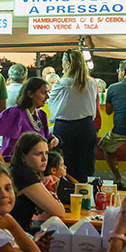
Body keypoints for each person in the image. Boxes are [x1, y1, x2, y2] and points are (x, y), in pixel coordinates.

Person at [50, 49, 99, 182]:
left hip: (65, 127)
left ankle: (67, 194)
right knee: (86, 165)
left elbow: (52, 104)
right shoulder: (91, 83)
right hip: (86, 126)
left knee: (65, 165)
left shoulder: (61, 83)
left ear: (68, 64)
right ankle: (86, 194)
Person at [0, 77, 58, 162]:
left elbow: (47, 136)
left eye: (48, 92)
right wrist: (2, 163)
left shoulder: (41, 115)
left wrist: (54, 140)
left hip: (34, 165)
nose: (47, 97)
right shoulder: (15, 113)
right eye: (43, 93)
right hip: (15, 165)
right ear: (30, 94)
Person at [5, 131, 66, 231]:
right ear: (23, 157)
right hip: (17, 232)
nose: (44, 159)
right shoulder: (24, 175)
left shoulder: (17, 169)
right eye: (38, 154)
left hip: (19, 228)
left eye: (46, 153)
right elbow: (59, 211)